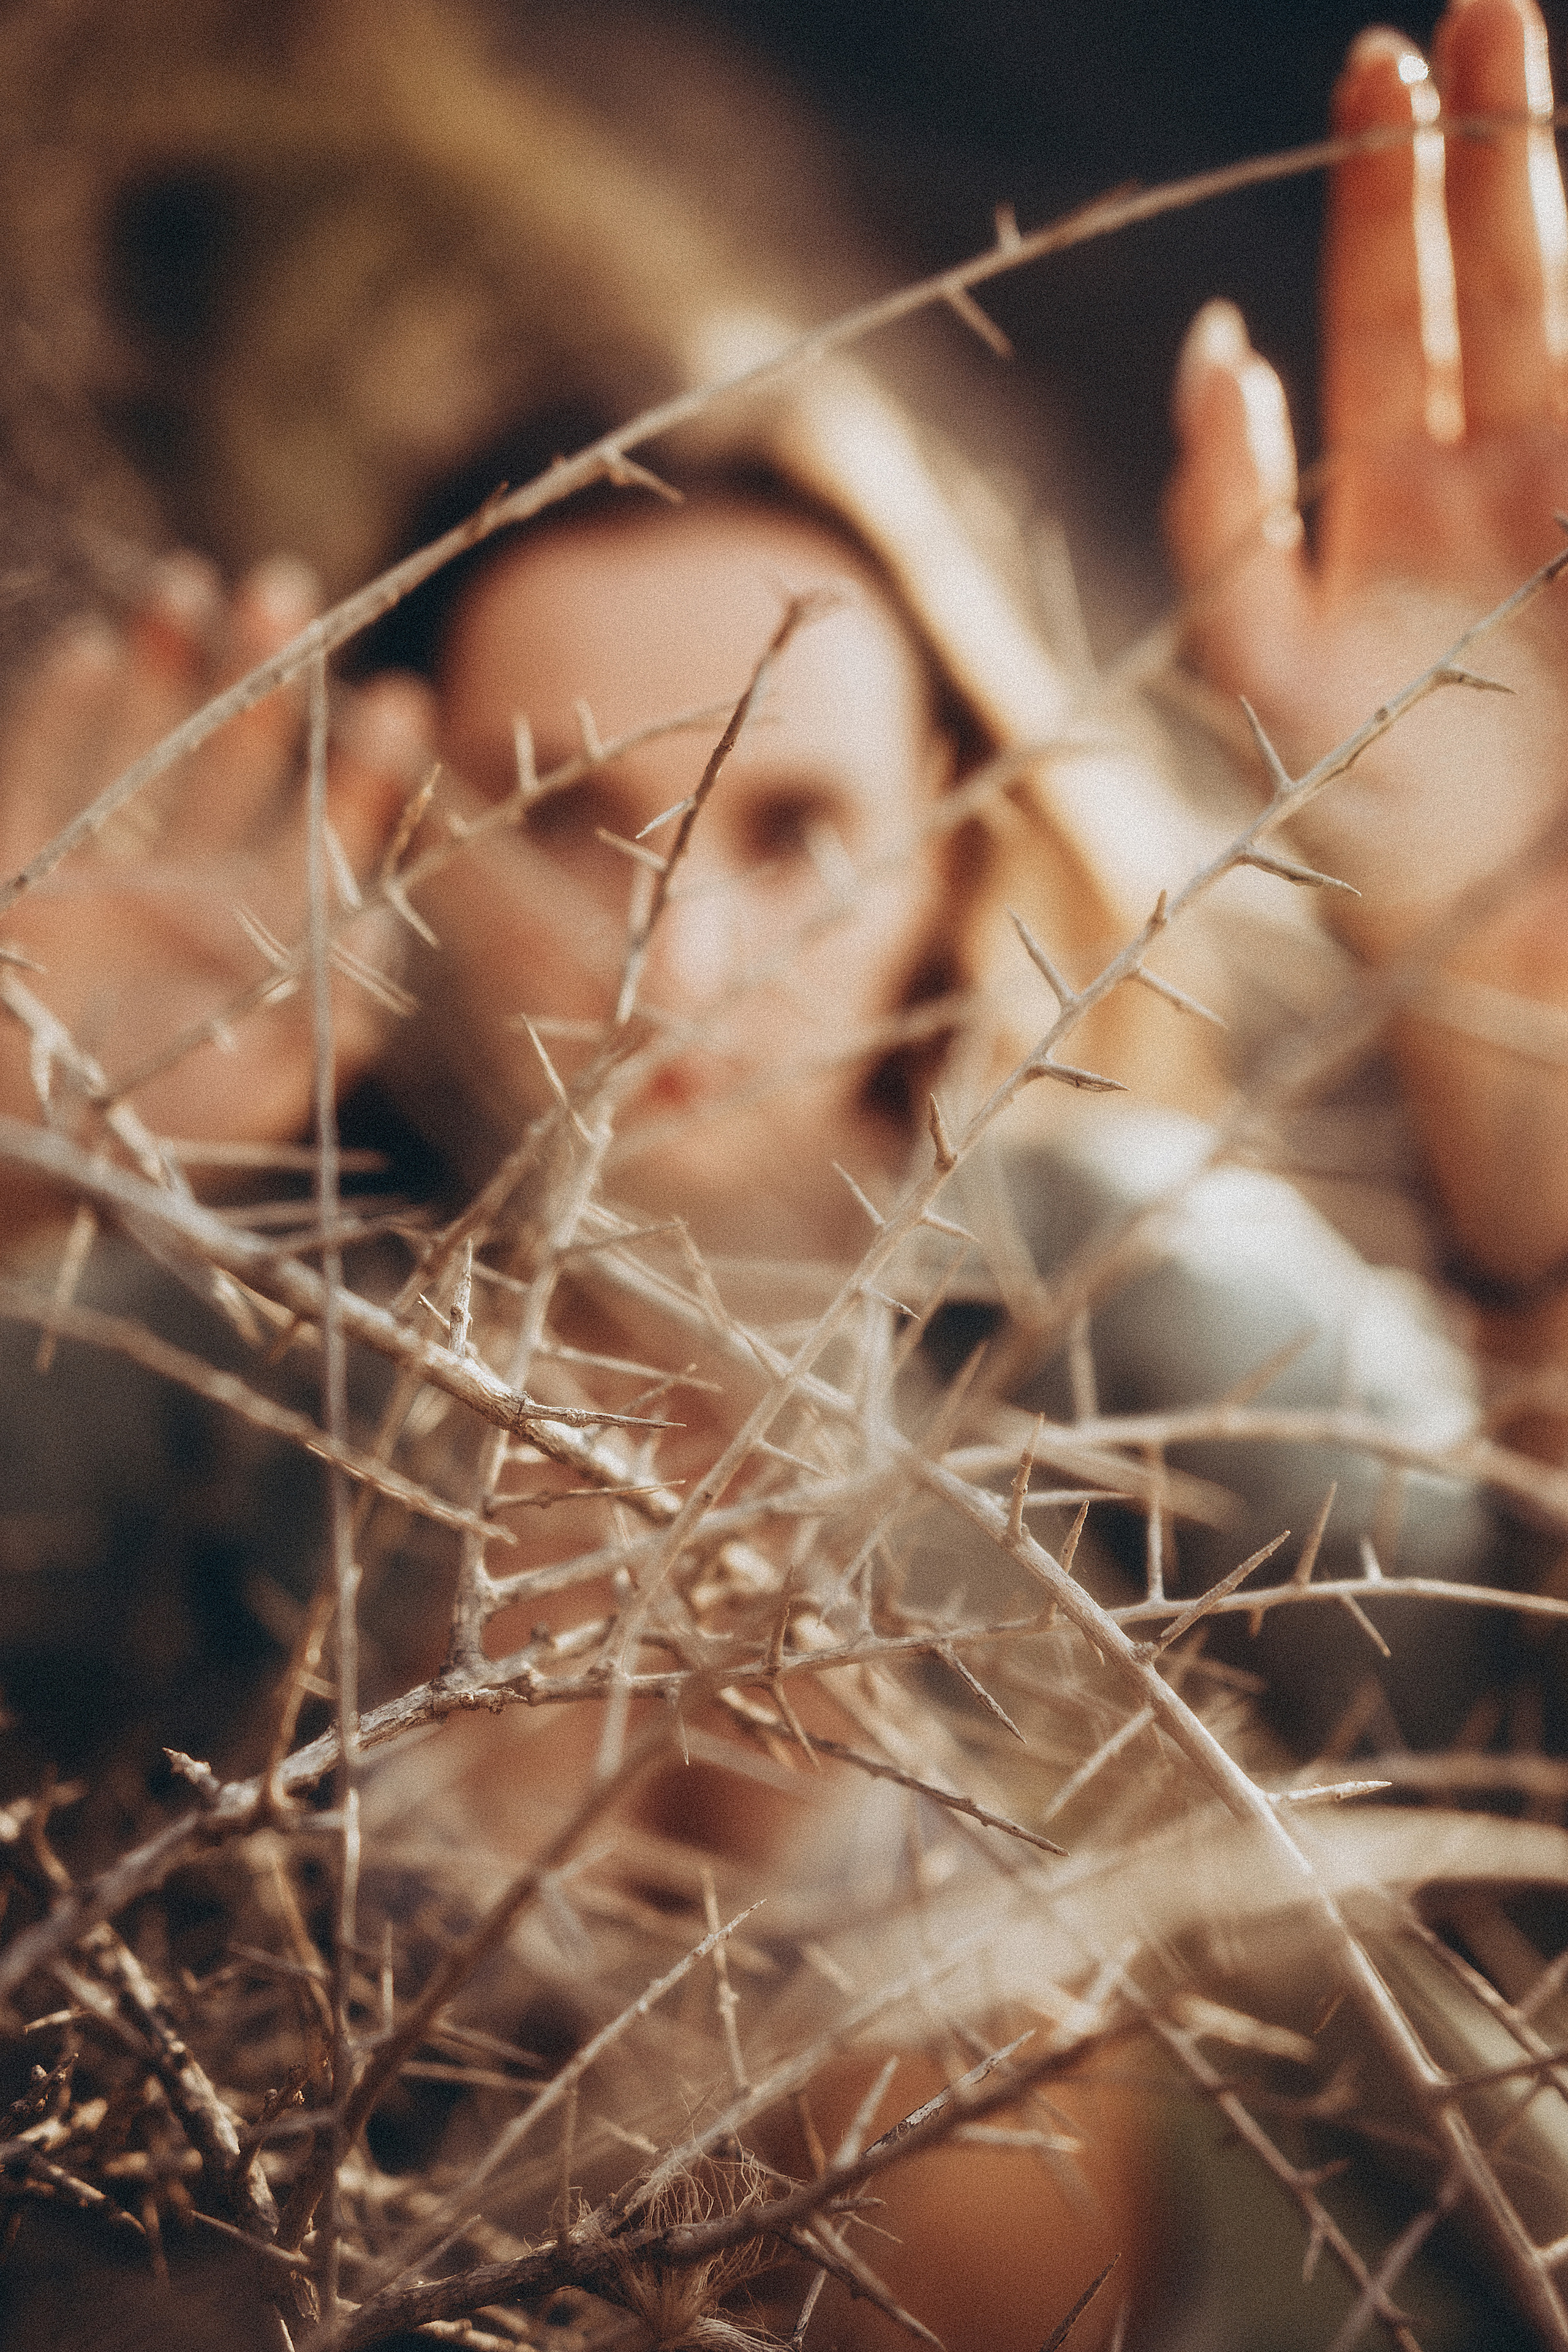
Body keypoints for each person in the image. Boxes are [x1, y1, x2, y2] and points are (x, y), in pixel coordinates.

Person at [2, 1, 1568, 2346]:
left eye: (793, 825)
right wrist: (29, 1186)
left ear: (948, 858)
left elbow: (1528, 1780)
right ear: (397, 838)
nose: (675, 949)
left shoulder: (1122, 1306)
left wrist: (1532, 1097)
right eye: (569, 810)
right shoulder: (216, 1371)